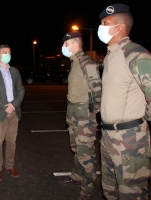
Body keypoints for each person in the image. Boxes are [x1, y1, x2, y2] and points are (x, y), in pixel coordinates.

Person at [97, 3, 151, 199]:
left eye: (105, 23)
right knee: (110, 190)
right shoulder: (110, 57)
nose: (100, 27)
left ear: (120, 27)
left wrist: (137, 120)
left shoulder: (136, 54)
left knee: (132, 193)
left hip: (130, 140)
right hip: (108, 136)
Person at [59, 31, 102, 200]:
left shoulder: (86, 61)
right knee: (76, 147)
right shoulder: (75, 61)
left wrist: (96, 106)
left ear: (75, 44)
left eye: (66, 44)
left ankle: (87, 191)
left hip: (84, 112)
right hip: (73, 111)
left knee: (86, 153)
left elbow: (97, 86)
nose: (64, 47)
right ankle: (77, 176)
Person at [0, 44, 25, 181]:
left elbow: (20, 90)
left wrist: (13, 104)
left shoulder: (15, 71)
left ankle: (10, 166)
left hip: (14, 111)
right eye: (5, 52)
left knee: (12, 142)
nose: (8, 54)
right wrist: (4, 106)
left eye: (9, 52)